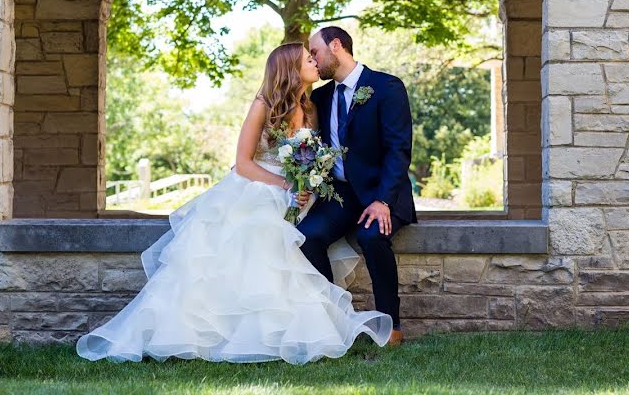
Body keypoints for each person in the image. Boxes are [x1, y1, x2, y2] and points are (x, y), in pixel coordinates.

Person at [76, 42, 392, 364]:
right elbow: (242, 163)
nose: (315, 61)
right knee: (260, 243)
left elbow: (310, 156)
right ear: (290, 69)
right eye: (307, 58)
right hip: (258, 186)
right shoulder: (263, 105)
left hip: (298, 193)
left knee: (300, 247)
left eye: (314, 56)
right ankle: (228, 336)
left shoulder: (310, 108)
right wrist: (286, 185)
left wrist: (307, 183)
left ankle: (295, 333)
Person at [300, 26, 416, 347]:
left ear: (336, 45)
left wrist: (383, 200)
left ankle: (391, 327)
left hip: (381, 192)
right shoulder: (321, 96)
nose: (313, 59)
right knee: (307, 236)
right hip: (341, 195)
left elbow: (398, 149)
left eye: (316, 52)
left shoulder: (386, 87)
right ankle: (332, 320)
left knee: (371, 237)